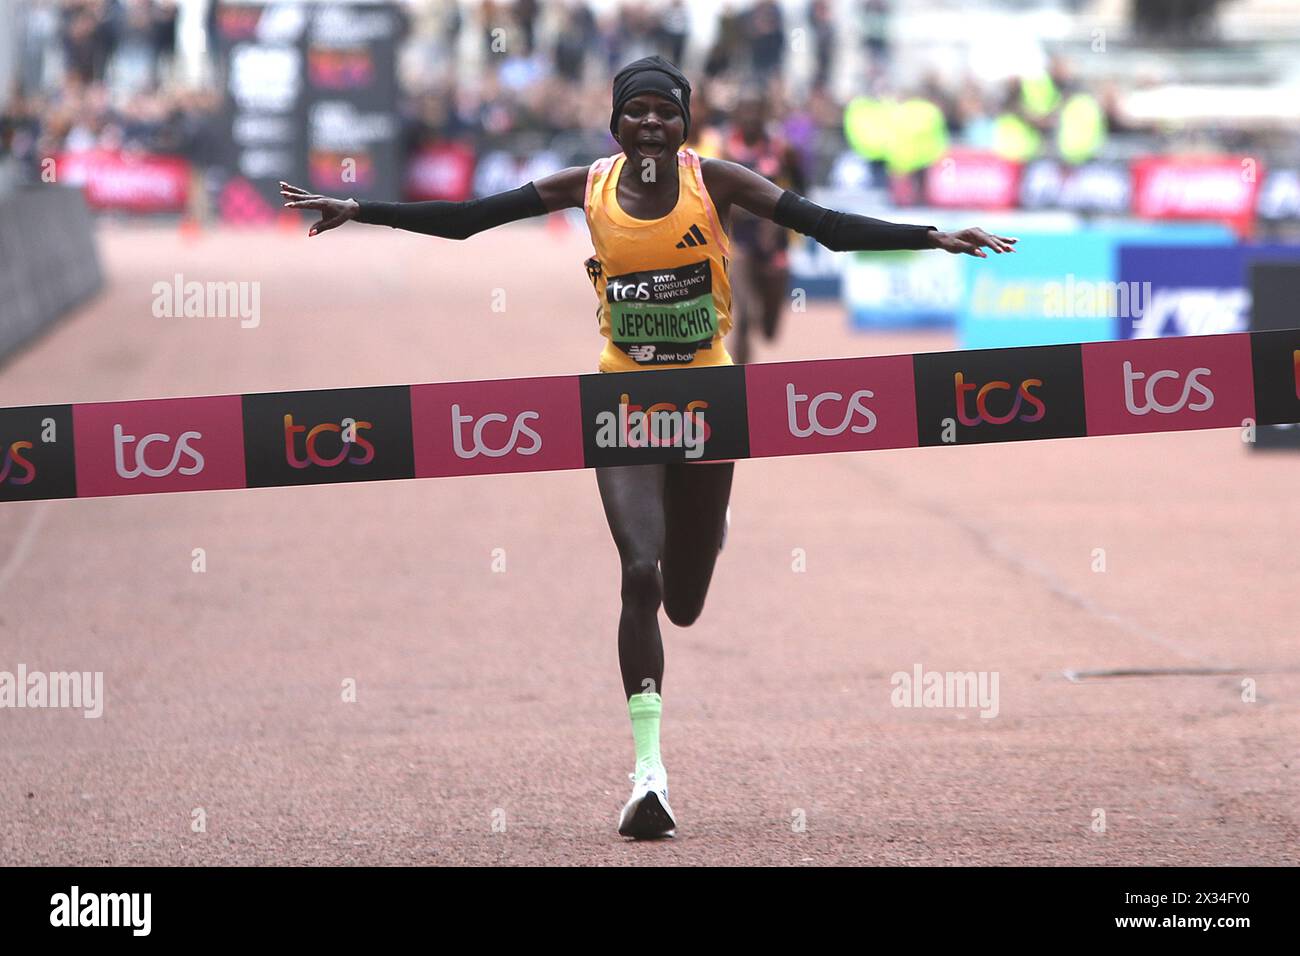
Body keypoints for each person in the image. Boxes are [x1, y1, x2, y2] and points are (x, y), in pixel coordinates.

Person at [279, 54, 1016, 841]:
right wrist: (362, 208)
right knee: (639, 573)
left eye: (666, 112)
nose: (653, 124)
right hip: (622, 400)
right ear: (616, 124)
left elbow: (823, 228)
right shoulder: (585, 186)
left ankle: (709, 528)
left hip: (708, 401)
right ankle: (648, 775)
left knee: (687, 601)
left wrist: (931, 236)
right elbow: (469, 218)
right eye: (637, 113)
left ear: (684, 122)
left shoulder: (718, 182)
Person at [720, 86, 808, 365]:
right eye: (743, 110)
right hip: (740, 245)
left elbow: (802, 192)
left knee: (769, 331)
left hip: (774, 246)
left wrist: (782, 221)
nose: (749, 116)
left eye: (755, 109)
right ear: (735, 114)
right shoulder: (725, 151)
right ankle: (739, 388)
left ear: (765, 113)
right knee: (744, 318)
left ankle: (769, 317)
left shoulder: (782, 150)